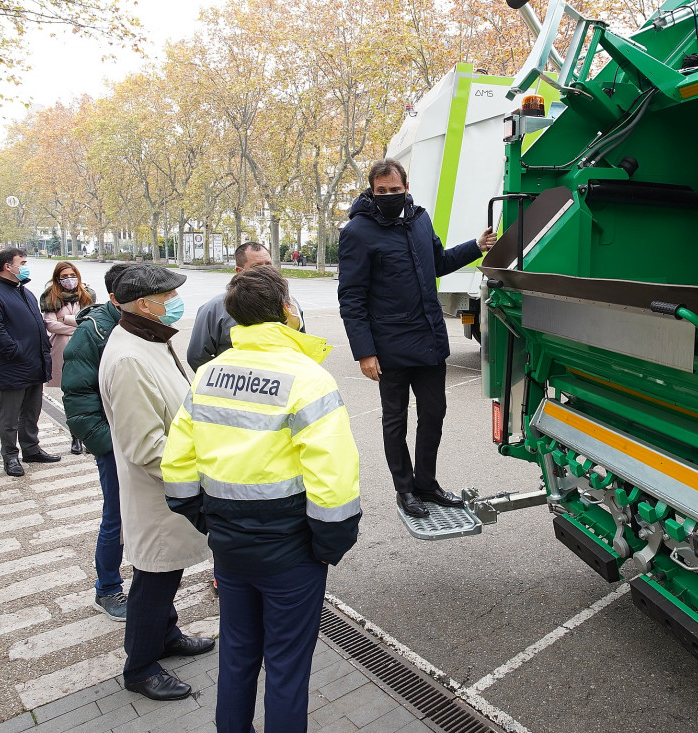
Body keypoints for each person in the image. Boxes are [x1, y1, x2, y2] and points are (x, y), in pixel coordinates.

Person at [163, 266, 361, 732]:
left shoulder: (209, 374)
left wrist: (210, 523)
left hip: (230, 548)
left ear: (233, 317)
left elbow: (177, 465)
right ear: (286, 311)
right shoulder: (308, 379)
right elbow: (332, 477)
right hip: (291, 553)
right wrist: (328, 547)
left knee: (236, 654)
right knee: (288, 667)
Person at [337, 158, 496, 518]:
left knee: (434, 414)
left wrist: (476, 245)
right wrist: (364, 352)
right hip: (389, 346)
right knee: (395, 420)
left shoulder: (420, 220)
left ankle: (427, 484)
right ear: (372, 191)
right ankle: (405, 489)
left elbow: (437, 262)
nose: (390, 195)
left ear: (406, 188)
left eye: (395, 189)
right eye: (382, 191)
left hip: (428, 340)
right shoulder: (357, 232)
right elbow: (351, 297)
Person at [98, 264, 213, 702]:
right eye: (170, 296)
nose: (176, 302)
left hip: (174, 488)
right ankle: (141, 665)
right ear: (145, 304)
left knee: (168, 571)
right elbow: (145, 446)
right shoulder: (129, 357)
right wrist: (200, 469)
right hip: (159, 492)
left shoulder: (151, 339)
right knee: (154, 577)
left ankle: (167, 635)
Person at [61, 263, 133, 622]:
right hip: (114, 445)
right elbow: (76, 397)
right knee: (116, 518)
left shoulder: (139, 324)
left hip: (139, 441)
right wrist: (107, 444)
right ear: (117, 297)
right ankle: (107, 589)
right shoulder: (93, 333)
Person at [0, 247, 60, 476]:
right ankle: (10, 456)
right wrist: (16, 352)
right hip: (12, 365)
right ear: (8, 266)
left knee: (32, 411)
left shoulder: (24, 291)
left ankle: (31, 449)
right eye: (22, 263)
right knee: (10, 416)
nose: (25, 266)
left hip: (35, 363)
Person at [186, 242, 306, 372]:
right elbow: (197, 356)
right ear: (239, 271)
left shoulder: (289, 304)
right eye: (257, 266)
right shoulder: (214, 309)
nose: (266, 271)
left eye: (269, 264)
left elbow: (302, 347)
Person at [41, 261, 95, 454]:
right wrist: (77, 327)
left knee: (89, 394)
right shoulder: (50, 297)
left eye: (71, 275)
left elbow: (92, 319)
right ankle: (75, 436)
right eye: (63, 277)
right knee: (70, 395)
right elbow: (50, 324)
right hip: (61, 350)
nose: (68, 280)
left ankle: (89, 435)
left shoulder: (87, 293)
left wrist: (65, 320)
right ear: (57, 278)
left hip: (86, 349)